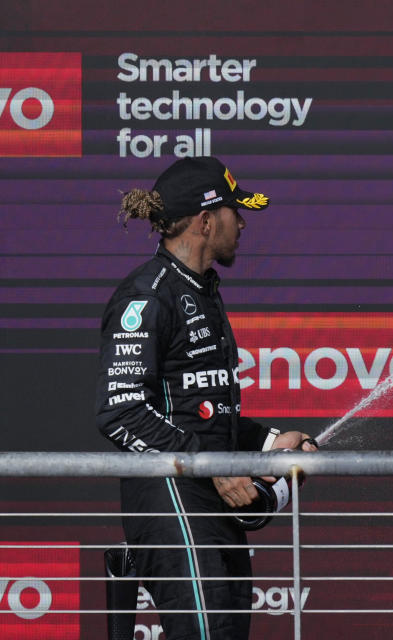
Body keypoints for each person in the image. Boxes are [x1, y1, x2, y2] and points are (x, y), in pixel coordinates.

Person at [96, 156, 317, 639]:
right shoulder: (147, 296)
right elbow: (120, 411)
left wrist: (270, 444)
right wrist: (212, 465)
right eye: (235, 211)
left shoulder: (202, 292)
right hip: (173, 505)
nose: (241, 223)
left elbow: (204, 414)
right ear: (205, 219)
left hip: (211, 506)